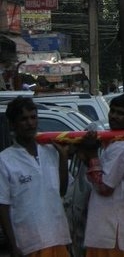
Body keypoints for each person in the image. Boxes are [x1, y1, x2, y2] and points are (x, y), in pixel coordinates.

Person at [76, 93, 124, 257]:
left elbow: (104, 187)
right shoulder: (115, 143)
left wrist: (93, 154)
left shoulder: (122, 147)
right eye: (113, 111)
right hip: (112, 231)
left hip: (115, 234)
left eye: (120, 113)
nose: (114, 116)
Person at [0, 96, 71, 257]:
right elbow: (3, 207)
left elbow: (62, 190)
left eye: (33, 117)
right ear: (13, 124)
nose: (30, 123)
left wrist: (63, 157)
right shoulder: (5, 160)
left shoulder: (50, 151)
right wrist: (13, 245)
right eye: (24, 119)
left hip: (57, 236)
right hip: (28, 242)